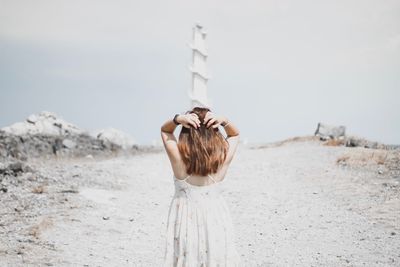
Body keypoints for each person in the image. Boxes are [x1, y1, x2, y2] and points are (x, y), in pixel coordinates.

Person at [160, 106, 242, 266]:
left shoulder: (179, 162)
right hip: (215, 222)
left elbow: (165, 131)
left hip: (185, 223)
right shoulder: (222, 159)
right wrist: (224, 120)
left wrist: (178, 119)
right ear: (214, 134)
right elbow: (235, 134)